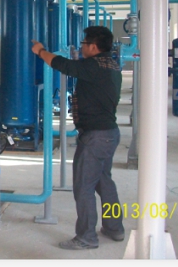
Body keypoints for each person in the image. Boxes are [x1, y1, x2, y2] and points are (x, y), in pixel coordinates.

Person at [32, 25, 124, 250]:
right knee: (104, 182)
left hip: (95, 137)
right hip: (109, 134)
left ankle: (86, 237)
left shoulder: (93, 66)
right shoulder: (111, 64)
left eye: (84, 44)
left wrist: (41, 51)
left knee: (84, 187)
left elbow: (63, 65)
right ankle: (114, 228)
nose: (82, 47)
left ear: (93, 47)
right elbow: (79, 69)